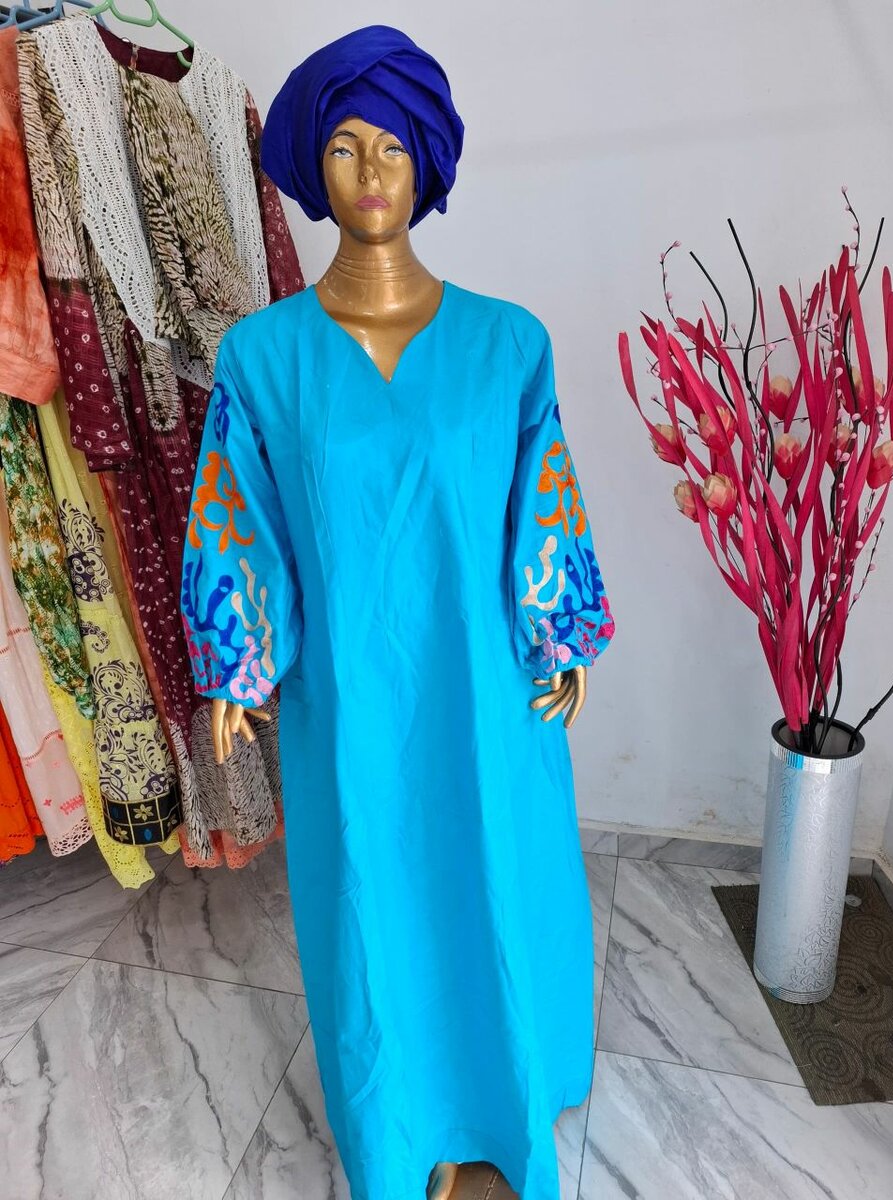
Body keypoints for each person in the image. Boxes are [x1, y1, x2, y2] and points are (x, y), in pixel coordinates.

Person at [179, 24, 615, 1200]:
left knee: (496, 880)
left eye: (391, 146)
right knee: (375, 901)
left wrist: (563, 637)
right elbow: (240, 519)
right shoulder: (263, 360)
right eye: (344, 147)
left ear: (426, 161)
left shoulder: (508, 344)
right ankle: (405, 1130)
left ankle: (507, 1109)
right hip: (352, 700)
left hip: (489, 690)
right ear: (313, 168)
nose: (370, 171)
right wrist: (239, 663)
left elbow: (544, 500)